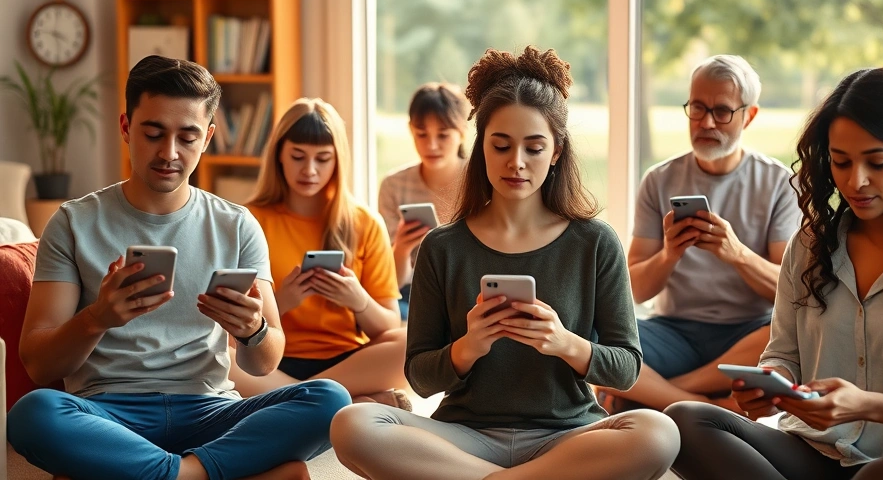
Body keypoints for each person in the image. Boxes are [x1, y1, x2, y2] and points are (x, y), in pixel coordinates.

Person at [330, 46, 680, 480]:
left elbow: (626, 368)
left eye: (534, 148)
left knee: (659, 431)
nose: (516, 162)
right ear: (481, 149)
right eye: (501, 145)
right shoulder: (443, 247)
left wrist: (564, 342)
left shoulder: (594, 242)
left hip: (567, 436)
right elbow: (419, 377)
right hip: (464, 436)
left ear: (555, 153)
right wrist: (469, 346)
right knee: (352, 423)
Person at [7, 56, 350, 480]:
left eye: (187, 137)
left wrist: (253, 331)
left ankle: (173, 474)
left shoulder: (237, 225)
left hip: (209, 410)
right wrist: (98, 317)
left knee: (331, 400)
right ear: (126, 128)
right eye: (153, 133)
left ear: (207, 138)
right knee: (33, 414)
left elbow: (264, 362)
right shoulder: (73, 222)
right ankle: (197, 473)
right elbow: (40, 365)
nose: (169, 153)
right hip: (109, 413)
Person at [666, 67, 883, 480]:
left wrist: (864, 404)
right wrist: (773, 388)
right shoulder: (809, 245)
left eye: (877, 162)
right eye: (841, 162)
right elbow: (783, 354)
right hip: (811, 450)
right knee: (682, 421)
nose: (855, 181)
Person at [601, 54, 800, 412]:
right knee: (593, 339)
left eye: (722, 111)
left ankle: (664, 392)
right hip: (674, 331)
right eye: (697, 107)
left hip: (749, 334)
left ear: (749, 115)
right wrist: (669, 255)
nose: (706, 122)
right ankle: (709, 403)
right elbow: (635, 290)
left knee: (800, 330)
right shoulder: (659, 180)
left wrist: (736, 253)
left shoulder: (778, 183)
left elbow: (792, 293)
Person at [228, 98, 409, 408]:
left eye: (323, 159)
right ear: (279, 156)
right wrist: (283, 301)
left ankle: (298, 399)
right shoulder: (248, 220)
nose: (309, 170)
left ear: (338, 160)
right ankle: (343, 402)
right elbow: (232, 330)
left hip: (349, 361)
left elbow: (389, 326)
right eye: (298, 156)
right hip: (272, 361)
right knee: (213, 351)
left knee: (412, 344)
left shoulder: (364, 222)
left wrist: (358, 301)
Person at [378, 82, 470, 318]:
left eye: (443, 135)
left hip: (466, 291)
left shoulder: (480, 182)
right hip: (411, 294)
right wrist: (401, 249)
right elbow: (392, 285)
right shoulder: (394, 185)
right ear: (411, 130)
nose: (431, 145)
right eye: (422, 134)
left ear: (462, 131)